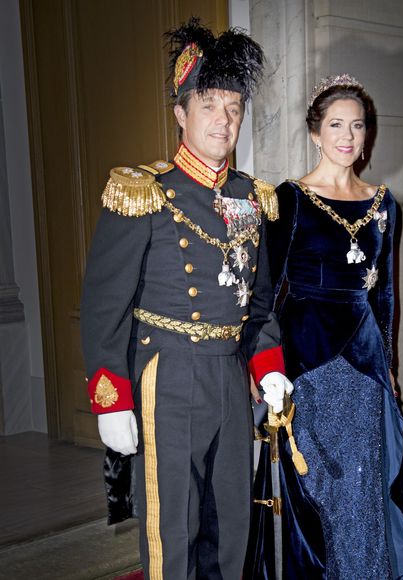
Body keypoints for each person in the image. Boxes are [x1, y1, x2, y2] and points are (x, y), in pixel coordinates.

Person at [80, 17, 293, 579]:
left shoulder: (250, 197)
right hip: (166, 375)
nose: (224, 121)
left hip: (229, 376)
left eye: (234, 108)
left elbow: (261, 301)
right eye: (209, 107)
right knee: (172, 525)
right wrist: (111, 400)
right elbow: (105, 306)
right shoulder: (143, 192)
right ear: (181, 113)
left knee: (231, 526)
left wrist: (268, 366)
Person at [263, 74, 403, 579]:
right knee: (317, 486)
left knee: (363, 484)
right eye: (336, 124)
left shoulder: (384, 205)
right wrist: (264, 367)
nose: (348, 136)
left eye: (357, 125)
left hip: (365, 364)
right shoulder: (289, 199)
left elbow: (386, 295)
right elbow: (264, 293)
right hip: (307, 361)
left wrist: (389, 367)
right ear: (315, 133)